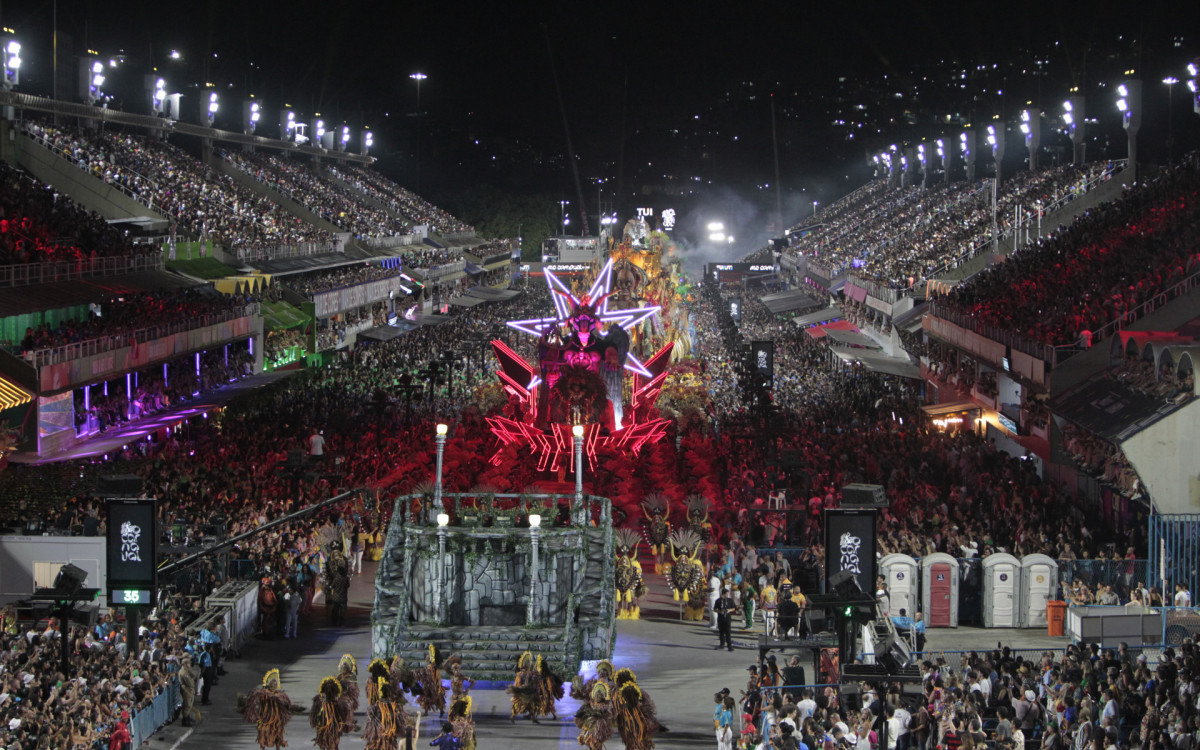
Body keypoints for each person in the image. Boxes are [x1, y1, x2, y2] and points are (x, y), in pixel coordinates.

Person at [240, 668, 296, 750]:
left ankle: (278, 748)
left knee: (277, 736)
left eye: (276, 683)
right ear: (268, 684)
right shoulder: (263, 694)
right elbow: (253, 697)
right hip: (265, 719)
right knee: (262, 735)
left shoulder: (281, 695)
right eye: (272, 683)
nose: (274, 685)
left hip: (277, 720)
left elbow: (287, 704)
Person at [309, 676, 352, 750]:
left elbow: (342, 717)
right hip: (324, 727)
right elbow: (315, 715)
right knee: (327, 744)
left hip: (332, 728)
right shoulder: (320, 702)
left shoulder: (338, 704)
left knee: (331, 744)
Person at [715, 586, 736, 651]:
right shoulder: (718, 601)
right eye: (726, 594)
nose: (727, 595)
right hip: (721, 618)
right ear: (723, 594)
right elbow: (715, 609)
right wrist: (720, 611)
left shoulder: (730, 600)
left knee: (728, 632)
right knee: (721, 631)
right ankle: (722, 644)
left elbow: (734, 608)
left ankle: (729, 645)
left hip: (727, 618)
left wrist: (729, 610)